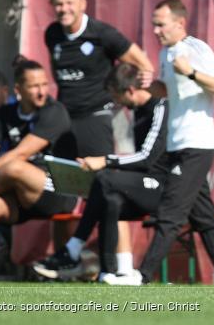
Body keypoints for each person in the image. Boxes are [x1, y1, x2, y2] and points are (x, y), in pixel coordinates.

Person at [104, 0, 214, 285]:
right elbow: (170, 91)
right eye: (153, 25)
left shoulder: (195, 50)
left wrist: (190, 71)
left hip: (196, 145)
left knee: (171, 212)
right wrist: (148, 86)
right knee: (204, 218)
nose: (156, 31)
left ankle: (142, 275)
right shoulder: (167, 53)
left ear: (179, 23)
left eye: (161, 25)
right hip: (178, 145)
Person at [44, 0, 154, 276]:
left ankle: (123, 268)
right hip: (67, 122)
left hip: (99, 117)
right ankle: (69, 262)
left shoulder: (102, 34)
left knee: (109, 188)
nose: (64, 9)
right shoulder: (52, 34)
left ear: (83, 3)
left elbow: (142, 64)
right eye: (58, 4)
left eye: (69, 3)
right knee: (64, 189)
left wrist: (142, 87)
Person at [32, 63, 168, 282]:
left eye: (117, 97)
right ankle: (110, 271)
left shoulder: (160, 108)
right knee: (110, 198)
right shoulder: (139, 112)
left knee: (105, 177)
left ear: (130, 90)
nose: (116, 103)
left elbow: (147, 158)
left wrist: (105, 161)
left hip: (161, 186)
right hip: (142, 184)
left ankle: (73, 248)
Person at [0, 59, 77, 284]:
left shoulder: (55, 111)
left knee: (14, 167)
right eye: (34, 86)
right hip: (21, 198)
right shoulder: (4, 114)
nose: (42, 91)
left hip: (57, 191)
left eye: (44, 84)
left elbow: (20, 154)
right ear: (18, 90)